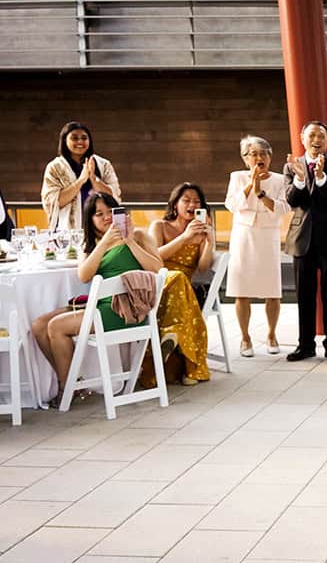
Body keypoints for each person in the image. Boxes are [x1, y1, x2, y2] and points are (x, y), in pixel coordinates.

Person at [31, 193, 162, 405]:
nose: (107, 217)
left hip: (123, 310)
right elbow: (84, 275)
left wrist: (128, 242)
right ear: (90, 220)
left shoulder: (139, 236)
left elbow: (157, 269)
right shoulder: (91, 246)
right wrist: (105, 243)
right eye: (99, 214)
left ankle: (66, 389)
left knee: (56, 327)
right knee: (38, 326)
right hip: (98, 307)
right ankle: (72, 379)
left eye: (111, 211)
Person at [283, 121, 327, 363]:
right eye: (311, 135)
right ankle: (305, 345)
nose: (316, 140)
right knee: (304, 295)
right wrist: (301, 179)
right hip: (302, 240)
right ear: (302, 139)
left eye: (321, 136)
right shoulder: (292, 166)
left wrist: (321, 177)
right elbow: (293, 200)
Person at [141, 183, 213, 387]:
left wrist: (209, 241)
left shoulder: (201, 234)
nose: (192, 204)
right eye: (187, 200)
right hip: (156, 284)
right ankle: (189, 365)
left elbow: (204, 268)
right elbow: (154, 258)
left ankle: (171, 336)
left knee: (180, 280)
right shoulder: (160, 226)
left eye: (197, 201)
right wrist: (184, 238)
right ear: (175, 205)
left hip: (182, 293)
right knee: (177, 277)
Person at [225, 135, 291, 357]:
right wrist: (251, 185)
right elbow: (232, 205)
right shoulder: (237, 177)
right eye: (253, 154)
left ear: (270, 157)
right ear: (245, 159)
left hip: (268, 236)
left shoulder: (280, 180)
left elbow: (283, 208)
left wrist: (261, 193)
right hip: (244, 235)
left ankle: (272, 334)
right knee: (242, 290)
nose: (259, 158)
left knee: (272, 290)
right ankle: (245, 338)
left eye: (263, 153)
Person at [42, 122, 121, 231]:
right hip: (68, 231)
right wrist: (81, 181)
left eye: (84, 138)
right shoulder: (55, 167)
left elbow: (113, 197)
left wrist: (94, 179)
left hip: (101, 228)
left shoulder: (103, 164)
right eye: (74, 138)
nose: (80, 141)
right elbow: (53, 202)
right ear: (65, 140)